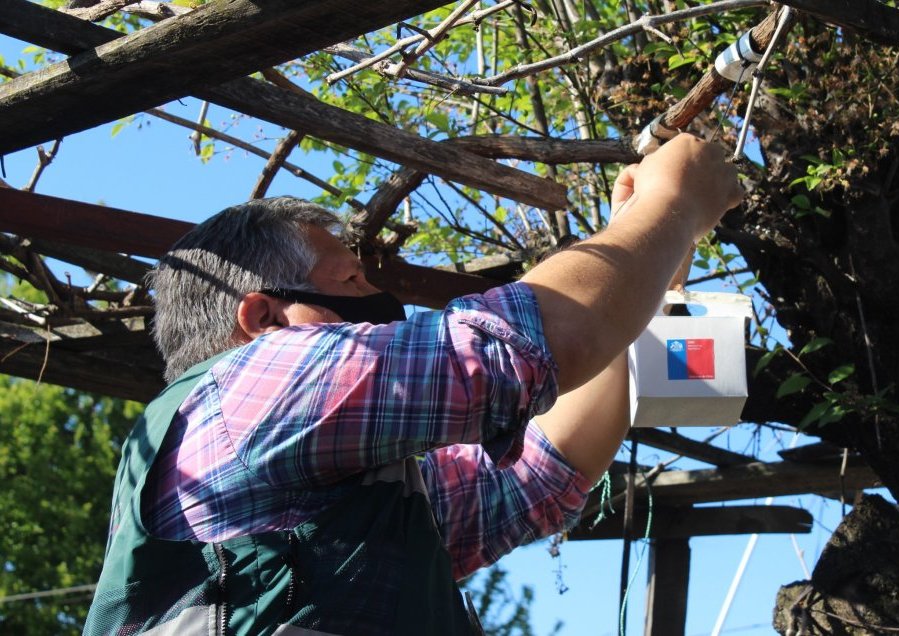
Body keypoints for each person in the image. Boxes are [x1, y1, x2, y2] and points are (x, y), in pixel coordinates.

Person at [84, 134, 742, 635]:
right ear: (265, 318)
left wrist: (649, 257)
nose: (380, 301)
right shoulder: (245, 387)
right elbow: (522, 350)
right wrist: (673, 202)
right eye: (350, 280)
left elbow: (535, 477)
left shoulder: (359, 499)